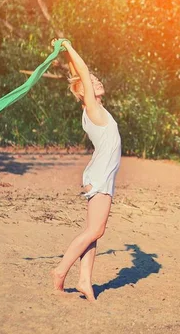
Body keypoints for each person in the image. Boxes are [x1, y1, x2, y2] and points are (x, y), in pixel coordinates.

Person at [50, 39, 121, 301]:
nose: (96, 81)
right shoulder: (91, 107)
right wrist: (68, 45)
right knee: (95, 231)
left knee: (94, 230)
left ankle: (84, 281)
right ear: (83, 93)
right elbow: (81, 71)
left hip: (100, 174)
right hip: (101, 175)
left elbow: (77, 73)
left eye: (96, 79)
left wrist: (66, 53)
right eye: (90, 81)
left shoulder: (96, 108)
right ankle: (59, 271)